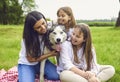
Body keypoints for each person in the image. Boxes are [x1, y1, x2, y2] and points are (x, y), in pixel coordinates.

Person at [18, 11, 59, 82]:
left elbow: (61, 19)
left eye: (43, 23)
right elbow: (31, 59)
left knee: (56, 76)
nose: (43, 28)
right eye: (38, 27)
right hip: (27, 64)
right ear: (32, 29)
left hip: (41, 62)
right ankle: (25, 74)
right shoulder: (27, 39)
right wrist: (51, 54)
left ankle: (33, 73)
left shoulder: (48, 25)